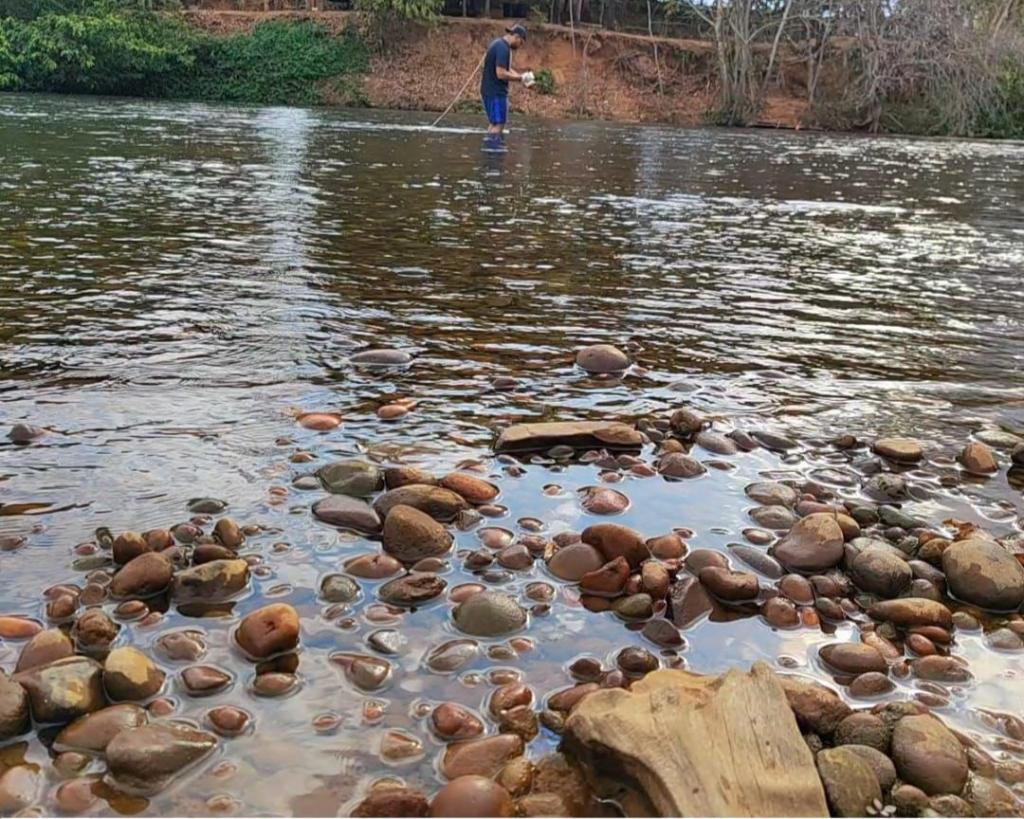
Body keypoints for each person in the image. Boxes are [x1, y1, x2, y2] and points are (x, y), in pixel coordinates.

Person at [480, 24, 529, 150]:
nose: (520, 46)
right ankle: (494, 155)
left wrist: (522, 77)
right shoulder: (503, 48)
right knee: (498, 124)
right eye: (521, 43)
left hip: (490, 90)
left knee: (495, 123)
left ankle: (490, 151)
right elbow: (501, 73)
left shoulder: (499, 44)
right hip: (495, 92)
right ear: (517, 37)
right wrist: (520, 78)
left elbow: (507, 69)